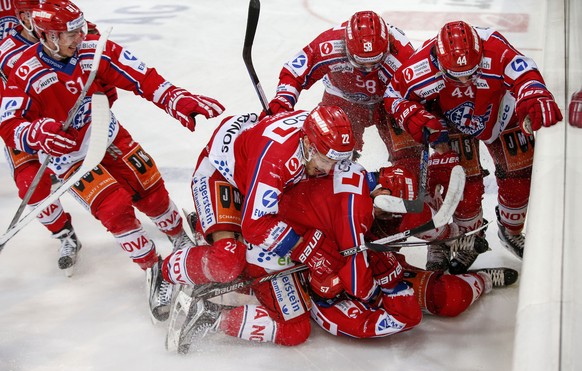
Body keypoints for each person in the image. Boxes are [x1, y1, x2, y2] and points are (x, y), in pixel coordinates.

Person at [0, 0, 225, 321]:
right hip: (69, 156)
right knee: (115, 208)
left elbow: (142, 77)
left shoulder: (93, 49)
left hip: (104, 131)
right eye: (70, 33)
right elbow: (9, 124)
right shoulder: (23, 70)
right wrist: (36, 132)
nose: (80, 36)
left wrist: (175, 97)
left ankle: (179, 239)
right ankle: (153, 269)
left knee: (152, 189)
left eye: (80, 29)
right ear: (47, 36)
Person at [168, 162, 517, 351]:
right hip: (306, 267)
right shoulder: (355, 219)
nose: (390, 220)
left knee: (449, 297)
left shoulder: (372, 197)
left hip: (342, 262)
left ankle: (483, 280)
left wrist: (436, 238)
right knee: (290, 325)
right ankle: (193, 278)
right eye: (388, 213)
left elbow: (412, 225)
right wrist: (382, 275)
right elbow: (356, 285)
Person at [160, 106, 355, 351]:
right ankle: (165, 271)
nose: (329, 169)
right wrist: (304, 248)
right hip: (224, 176)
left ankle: (214, 308)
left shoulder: (321, 138)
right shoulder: (277, 160)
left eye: (337, 161)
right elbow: (256, 226)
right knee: (228, 260)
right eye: (326, 161)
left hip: (258, 181)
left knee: (295, 329)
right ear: (307, 143)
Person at [384, 20, 563, 268]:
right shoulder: (420, 66)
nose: (467, 80)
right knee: (461, 188)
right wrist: (412, 115)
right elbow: (393, 94)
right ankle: (467, 239)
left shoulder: (495, 47)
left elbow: (524, 71)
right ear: (438, 63)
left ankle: (510, 230)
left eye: (472, 72)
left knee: (520, 178)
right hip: (450, 125)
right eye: (457, 76)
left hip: (501, 111)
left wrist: (534, 92)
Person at [265, 10, 423, 170]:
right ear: (346, 48)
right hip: (342, 99)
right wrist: (282, 102)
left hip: (388, 101)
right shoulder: (330, 44)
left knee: (410, 157)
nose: (368, 69)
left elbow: (419, 93)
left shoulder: (403, 55)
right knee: (325, 149)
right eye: (361, 63)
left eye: (375, 62)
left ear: (388, 47)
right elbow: (295, 71)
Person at [0, 0, 85, 276]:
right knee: (30, 185)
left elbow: (85, 40)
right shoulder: (6, 52)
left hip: (65, 114)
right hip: (22, 119)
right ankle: (64, 235)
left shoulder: (50, 18)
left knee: (109, 169)